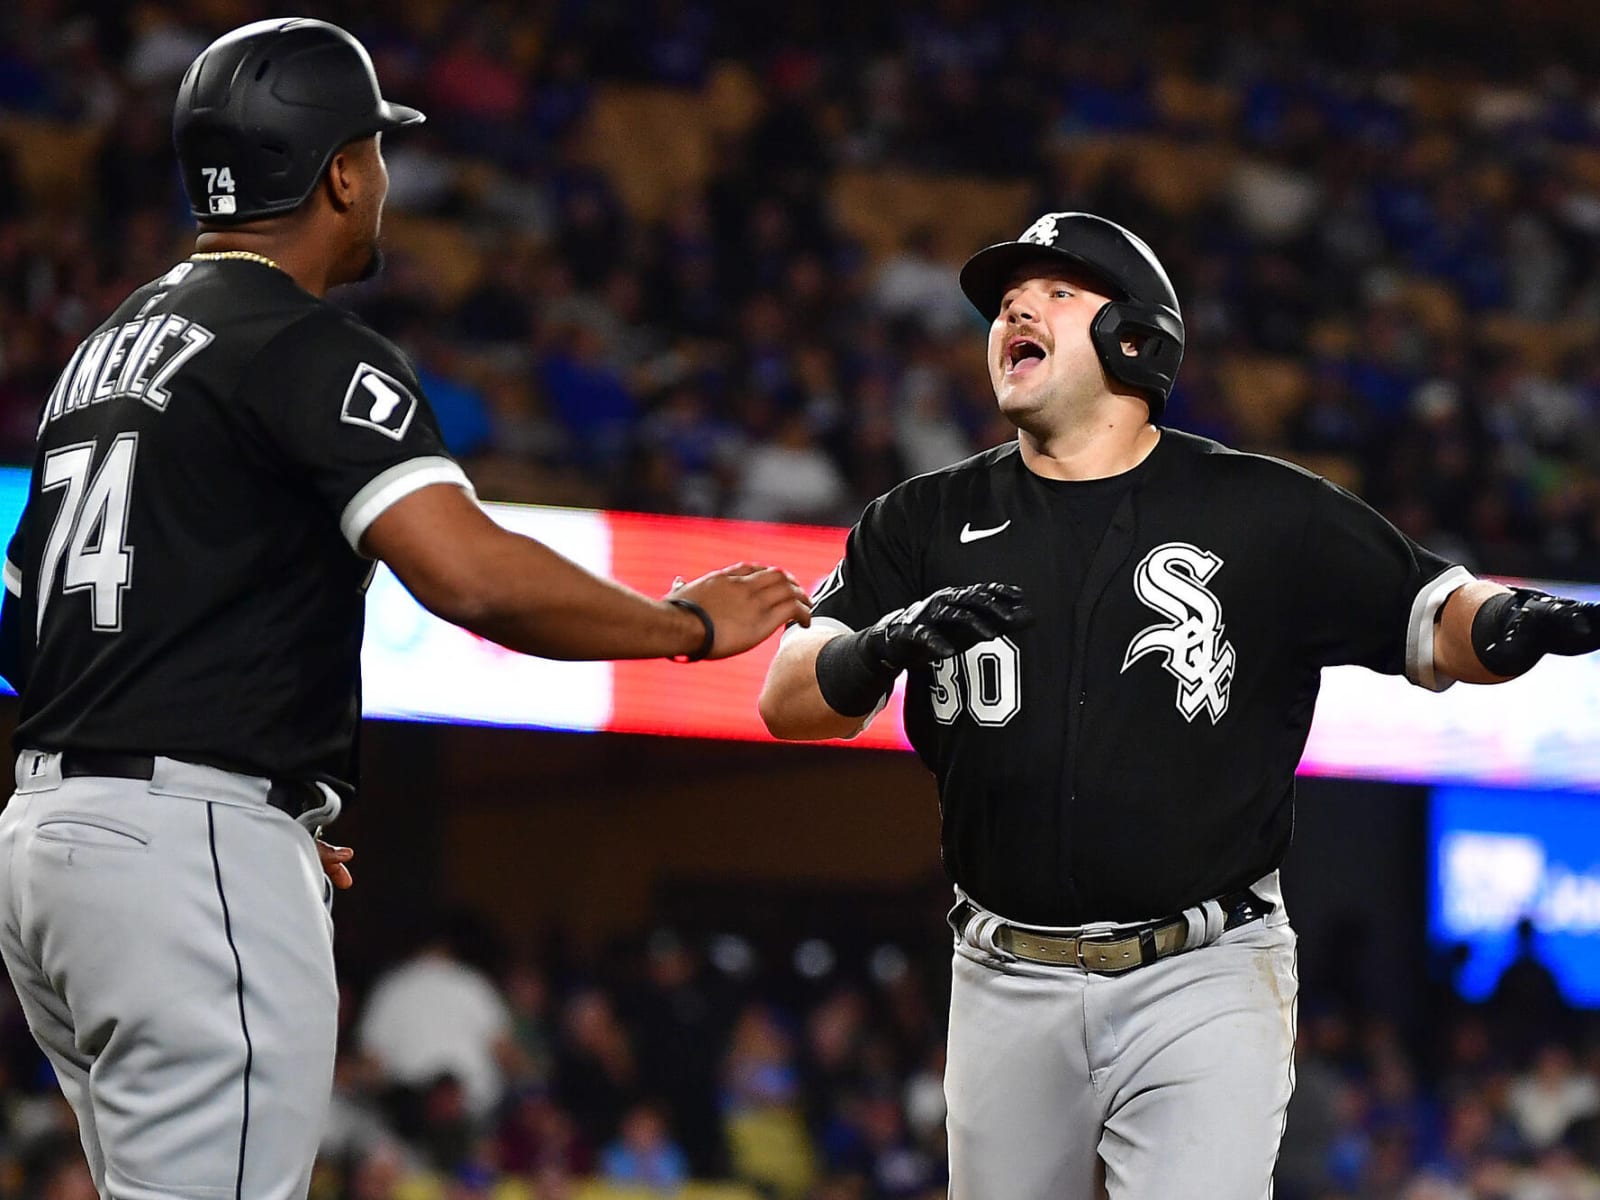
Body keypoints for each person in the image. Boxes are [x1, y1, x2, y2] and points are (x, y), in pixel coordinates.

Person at [0, 19, 810, 1200]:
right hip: (183, 855)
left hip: (51, 848)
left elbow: (29, 629)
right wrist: (685, 627)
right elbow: (469, 573)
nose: (382, 178)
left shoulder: (105, 352)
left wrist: (245, 770)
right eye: (375, 153)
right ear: (338, 172)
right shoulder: (300, 343)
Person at [759, 210, 1600, 1199]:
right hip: (1002, 974)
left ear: (1134, 337)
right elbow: (788, 698)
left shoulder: (1261, 508)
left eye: (1057, 291)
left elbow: (1430, 608)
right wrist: (877, 647)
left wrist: (1509, 621)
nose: (1014, 309)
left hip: (1200, 973)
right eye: (1005, 301)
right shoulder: (919, 520)